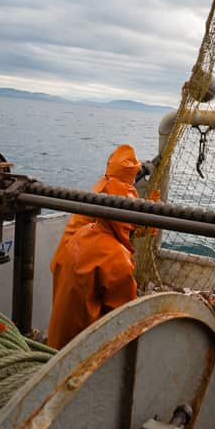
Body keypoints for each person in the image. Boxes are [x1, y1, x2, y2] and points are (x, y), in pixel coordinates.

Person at [46, 145, 141, 349]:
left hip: (57, 339)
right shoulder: (117, 258)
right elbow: (123, 319)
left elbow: (57, 264)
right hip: (82, 354)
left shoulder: (84, 228)